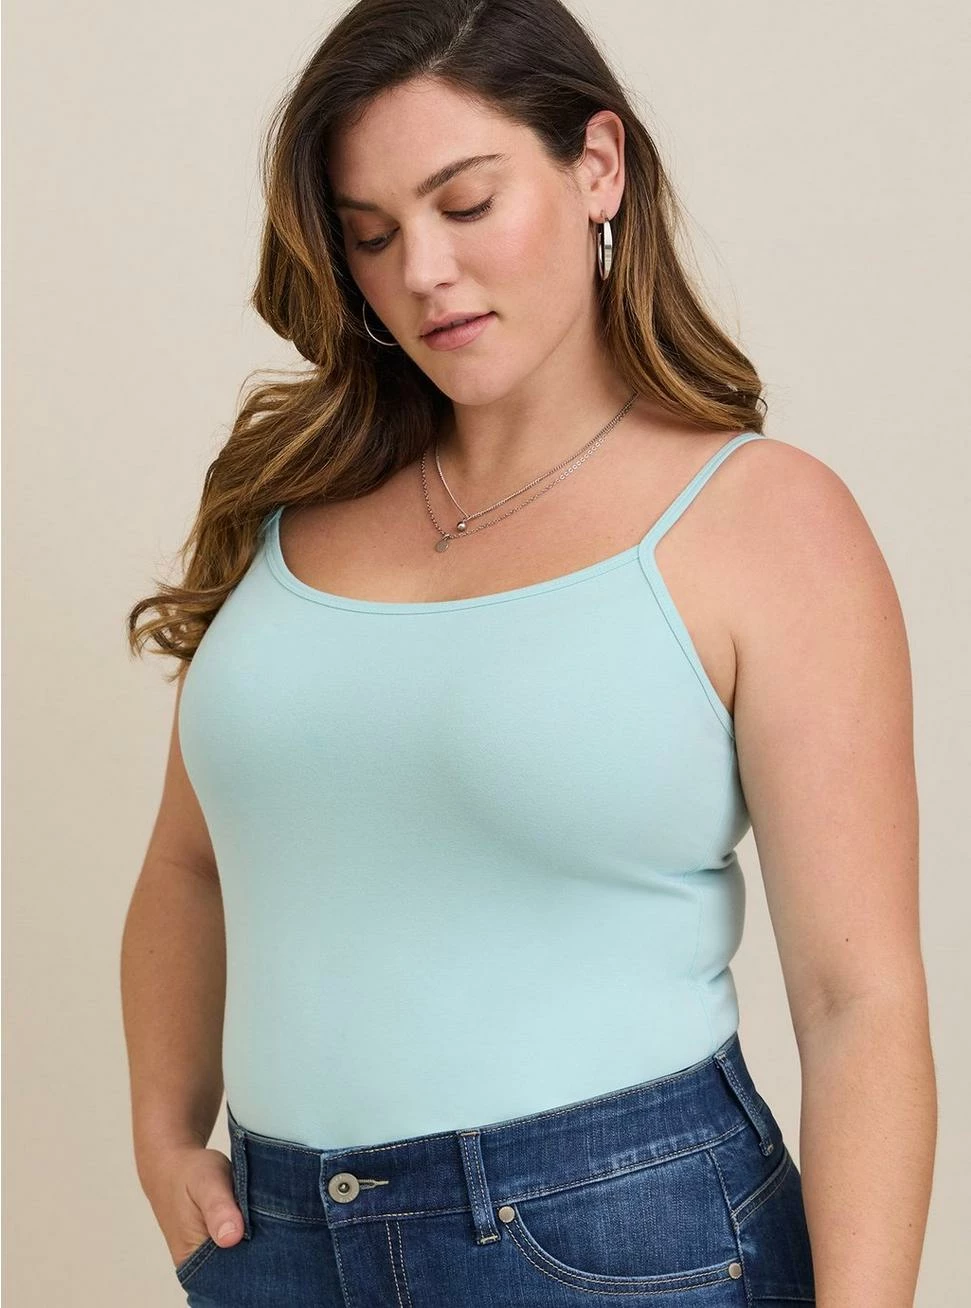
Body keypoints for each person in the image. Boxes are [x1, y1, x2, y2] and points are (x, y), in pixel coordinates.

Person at [120, 1, 936, 1304]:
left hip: (618, 1242)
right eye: (372, 234)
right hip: (276, 1244)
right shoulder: (289, 501)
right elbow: (191, 862)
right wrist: (164, 1136)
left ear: (596, 166)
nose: (423, 272)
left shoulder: (761, 522)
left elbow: (858, 1002)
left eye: (466, 204)